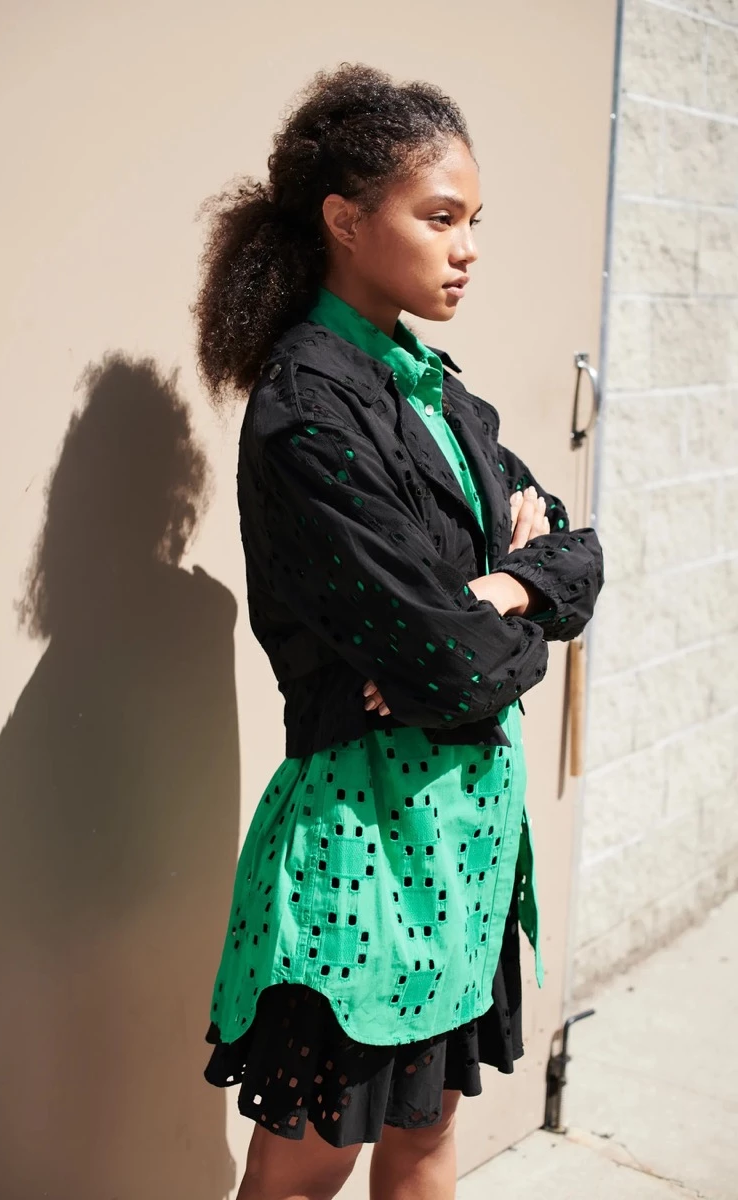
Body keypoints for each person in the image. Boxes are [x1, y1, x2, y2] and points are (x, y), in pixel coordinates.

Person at [194, 62, 604, 1200]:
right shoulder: (307, 411)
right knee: (304, 1166)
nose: (467, 249)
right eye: (439, 218)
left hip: (466, 839)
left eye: (474, 221)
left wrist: (501, 592)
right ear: (344, 219)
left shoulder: (433, 389)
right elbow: (444, 659)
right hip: (360, 852)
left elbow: (573, 556)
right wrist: (470, 625)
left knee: (424, 1139)